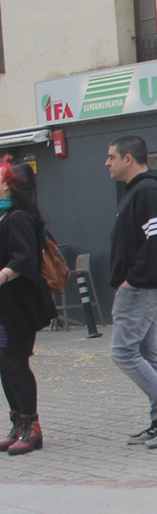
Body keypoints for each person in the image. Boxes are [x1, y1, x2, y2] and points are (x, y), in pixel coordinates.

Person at [106, 135, 157, 448]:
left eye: (111, 156)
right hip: (141, 285)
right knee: (145, 352)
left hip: (141, 287)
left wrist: (133, 280)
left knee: (123, 352)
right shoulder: (139, 192)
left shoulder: (148, 191)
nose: (107, 162)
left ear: (128, 159)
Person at [0, 157, 57, 456]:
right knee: (4, 364)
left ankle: (31, 428)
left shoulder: (19, 217)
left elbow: (24, 260)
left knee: (15, 362)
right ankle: (17, 423)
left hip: (17, 307)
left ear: (10, 186)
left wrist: (3, 276)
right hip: (4, 307)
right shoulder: (3, 216)